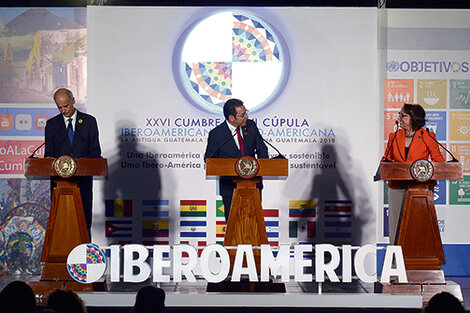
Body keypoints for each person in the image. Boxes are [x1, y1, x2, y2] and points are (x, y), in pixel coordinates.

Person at [382, 103, 444, 244]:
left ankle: (418, 258)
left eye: (403, 115)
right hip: (397, 186)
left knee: (418, 224)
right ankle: (395, 258)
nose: (399, 118)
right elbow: (385, 160)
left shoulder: (427, 136)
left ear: (413, 117)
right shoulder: (394, 136)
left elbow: (438, 161)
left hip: (420, 187)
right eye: (400, 115)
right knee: (395, 225)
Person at [45, 88, 102, 235]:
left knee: (83, 221)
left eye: (66, 106)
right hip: (59, 184)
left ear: (73, 101)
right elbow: (49, 154)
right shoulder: (52, 125)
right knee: (61, 223)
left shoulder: (89, 121)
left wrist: (80, 164)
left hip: (82, 182)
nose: (63, 110)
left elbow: (95, 152)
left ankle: (84, 255)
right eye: (59, 107)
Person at [204, 98, 268, 221]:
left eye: (246, 112)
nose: (246, 116)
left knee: (254, 221)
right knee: (234, 222)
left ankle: (254, 242)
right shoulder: (217, 134)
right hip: (230, 186)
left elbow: (261, 148)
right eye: (242, 115)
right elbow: (209, 159)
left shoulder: (251, 126)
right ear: (231, 118)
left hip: (253, 184)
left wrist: (264, 165)